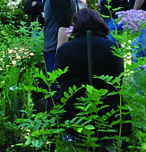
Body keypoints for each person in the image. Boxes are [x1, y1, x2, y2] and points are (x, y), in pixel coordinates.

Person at [54, 8, 130, 138]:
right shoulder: (114, 47)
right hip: (112, 119)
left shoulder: (65, 49)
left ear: (75, 26)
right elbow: (119, 80)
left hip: (72, 119)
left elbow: (58, 79)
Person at [35, 0, 77, 72]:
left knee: (56, 87)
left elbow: (64, 24)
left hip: (55, 50)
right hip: (55, 48)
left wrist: (60, 51)